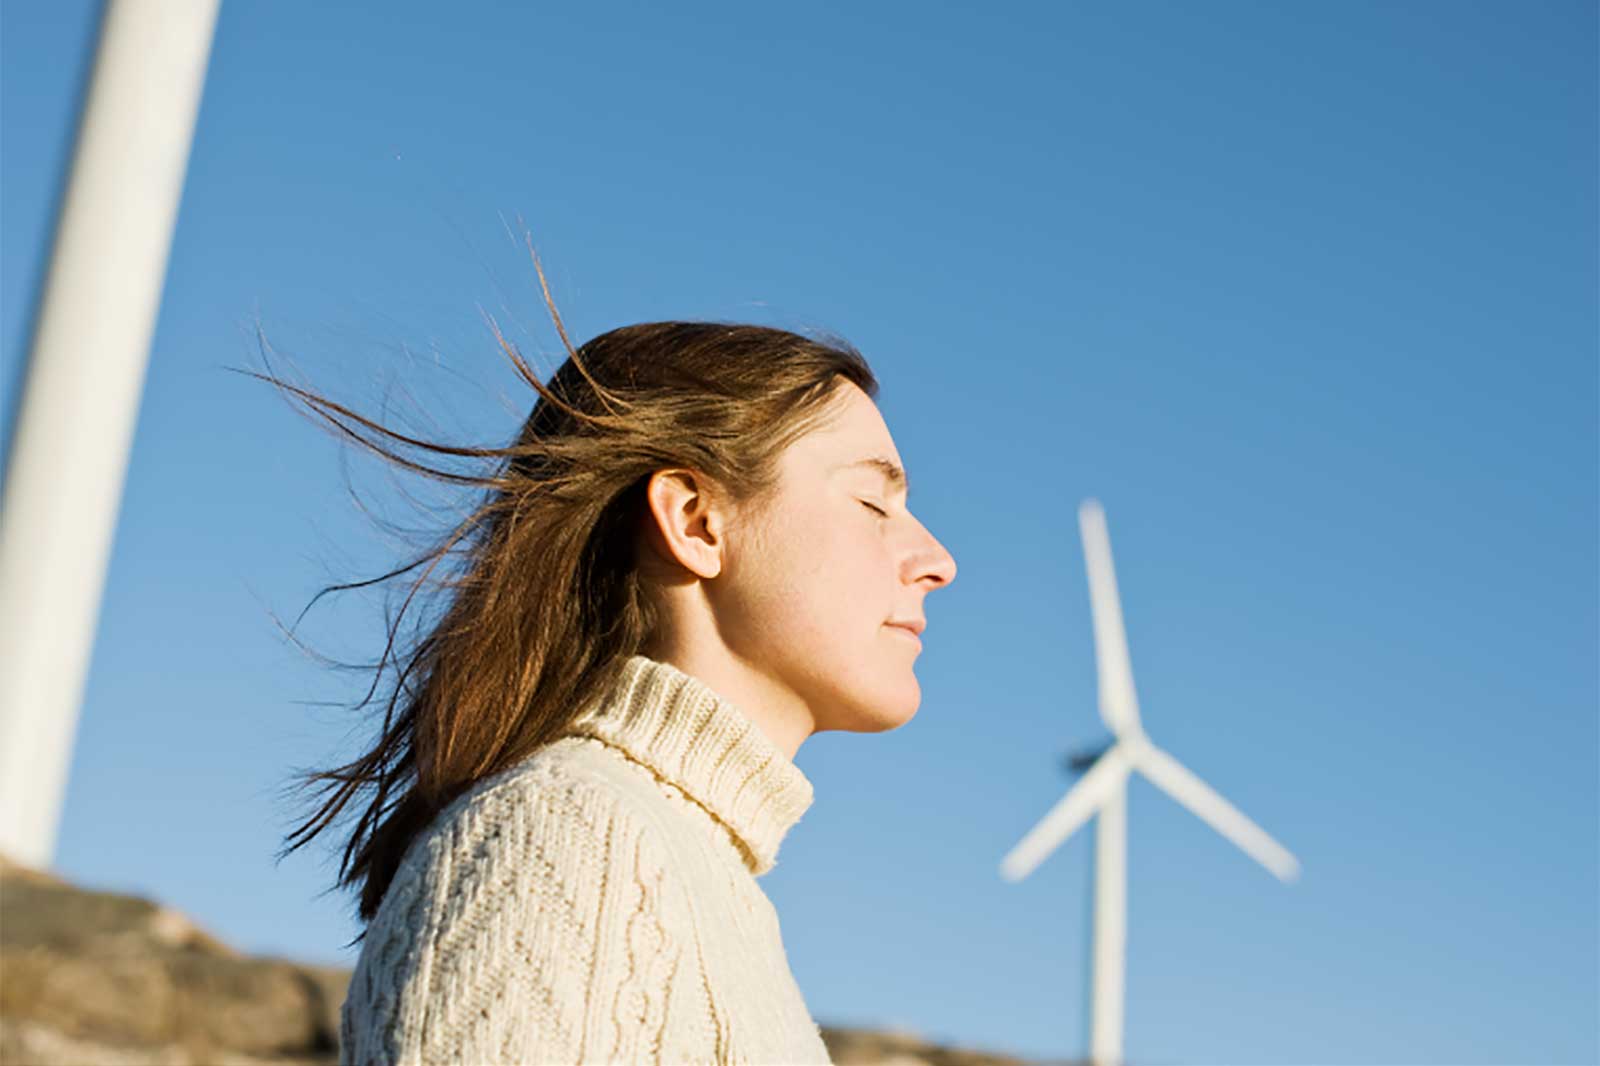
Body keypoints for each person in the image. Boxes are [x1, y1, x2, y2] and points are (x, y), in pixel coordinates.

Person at [268, 282, 957, 1064]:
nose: (937, 561)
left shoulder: (689, 877)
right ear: (696, 522)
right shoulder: (573, 840)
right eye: (873, 503)